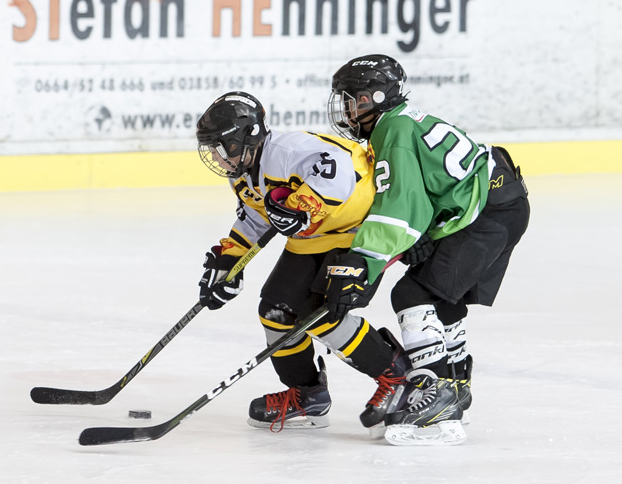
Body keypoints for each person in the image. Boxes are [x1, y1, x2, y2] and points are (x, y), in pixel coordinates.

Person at [323, 55, 530, 445]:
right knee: (440, 296)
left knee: (412, 294)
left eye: (355, 100)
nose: (348, 110)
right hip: (498, 203)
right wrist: (424, 234)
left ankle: (438, 399)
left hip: (486, 213)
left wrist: (362, 261)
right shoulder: (401, 120)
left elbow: (399, 207)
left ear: (378, 97)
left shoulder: (392, 130)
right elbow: (425, 191)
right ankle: (455, 386)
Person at [193, 91, 411, 434]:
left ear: (247, 138)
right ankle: (308, 395)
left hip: (360, 229)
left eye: (224, 147)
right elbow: (256, 217)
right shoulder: (243, 172)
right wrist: (230, 259)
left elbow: (340, 170)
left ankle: (398, 377)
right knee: (276, 311)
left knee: (319, 312)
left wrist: (303, 205)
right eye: (214, 149)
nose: (219, 157)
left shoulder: (286, 150)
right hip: (316, 237)